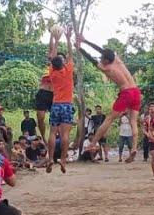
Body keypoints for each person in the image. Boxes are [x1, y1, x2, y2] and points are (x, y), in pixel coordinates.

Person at [76, 33, 142, 163]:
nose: (101, 59)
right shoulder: (118, 60)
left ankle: (92, 143)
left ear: (106, 60)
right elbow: (102, 50)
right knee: (133, 121)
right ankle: (133, 148)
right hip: (136, 91)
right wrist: (85, 41)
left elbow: (91, 59)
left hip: (126, 93)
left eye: (102, 58)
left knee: (109, 119)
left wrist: (80, 48)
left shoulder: (106, 68)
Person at [46, 26, 75, 174]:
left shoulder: (52, 72)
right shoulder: (68, 70)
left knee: (52, 133)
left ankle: (50, 158)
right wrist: (68, 38)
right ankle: (63, 160)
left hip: (56, 105)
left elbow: (52, 56)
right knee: (65, 135)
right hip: (67, 105)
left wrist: (56, 40)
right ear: (63, 64)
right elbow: (70, 53)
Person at [35, 26, 63, 144]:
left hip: (55, 95)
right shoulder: (51, 67)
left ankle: (57, 140)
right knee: (40, 118)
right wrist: (52, 36)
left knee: (56, 120)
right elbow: (51, 50)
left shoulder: (63, 70)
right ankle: (44, 139)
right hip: (43, 93)